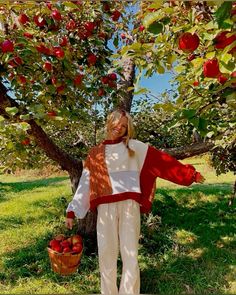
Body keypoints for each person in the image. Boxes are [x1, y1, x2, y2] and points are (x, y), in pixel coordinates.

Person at [65, 109, 205, 295]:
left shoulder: (134, 147)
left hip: (129, 206)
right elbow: (85, 183)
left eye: (124, 126)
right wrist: (72, 211)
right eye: (117, 123)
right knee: (106, 254)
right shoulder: (95, 153)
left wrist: (191, 175)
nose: (120, 128)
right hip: (105, 208)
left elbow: (163, 162)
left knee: (130, 253)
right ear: (109, 122)